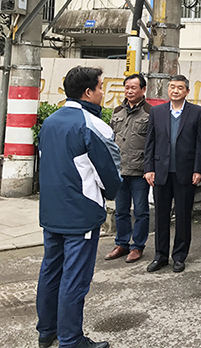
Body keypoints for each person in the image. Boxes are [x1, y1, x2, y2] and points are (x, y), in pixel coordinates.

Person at [36, 66, 122, 348]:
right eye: (100, 87)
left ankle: (47, 331)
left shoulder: (49, 122)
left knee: (51, 271)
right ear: (88, 92)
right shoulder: (93, 125)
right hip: (80, 214)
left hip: (51, 211)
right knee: (74, 279)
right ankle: (71, 339)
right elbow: (110, 176)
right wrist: (108, 194)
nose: (102, 92)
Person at [144, 74, 201, 273]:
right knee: (161, 216)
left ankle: (179, 256)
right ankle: (160, 256)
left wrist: (198, 169)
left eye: (180, 87)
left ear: (187, 91)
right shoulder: (157, 112)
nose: (175, 90)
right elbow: (150, 143)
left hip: (185, 173)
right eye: (172, 87)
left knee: (183, 216)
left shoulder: (197, 112)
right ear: (168, 89)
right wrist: (149, 169)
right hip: (161, 173)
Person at [105, 74, 153, 264]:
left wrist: (150, 168)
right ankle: (122, 243)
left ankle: (137, 246)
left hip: (140, 171)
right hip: (120, 170)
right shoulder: (117, 111)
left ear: (143, 90)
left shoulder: (151, 113)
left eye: (133, 87)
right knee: (121, 211)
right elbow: (111, 139)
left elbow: (154, 143)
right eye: (127, 87)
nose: (129, 91)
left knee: (141, 211)